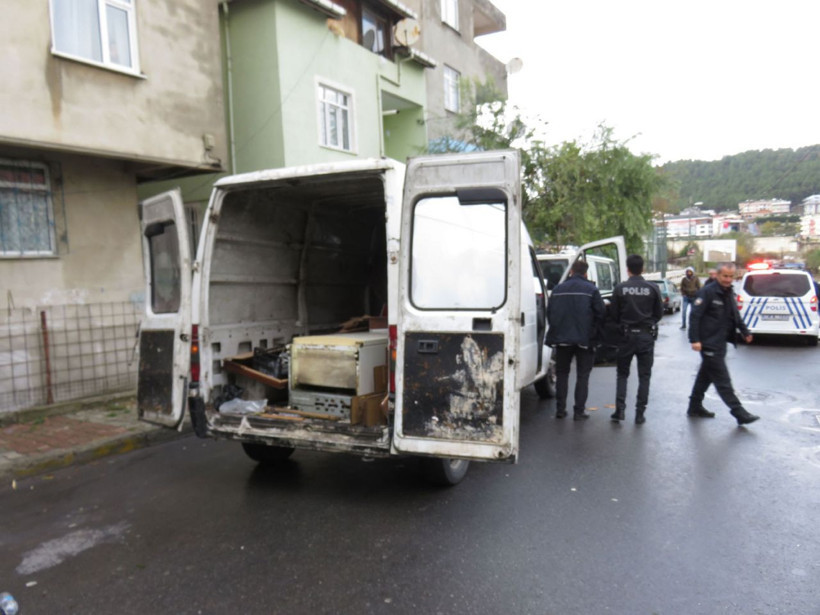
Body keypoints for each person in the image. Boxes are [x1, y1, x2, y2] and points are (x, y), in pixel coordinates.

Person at [687, 262, 759, 425]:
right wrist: (695, 340)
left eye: (731, 276)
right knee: (722, 380)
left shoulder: (728, 293)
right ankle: (738, 412)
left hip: (720, 342)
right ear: (718, 275)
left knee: (705, 376)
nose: (728, 279)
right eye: (725, 276)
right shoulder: (707, 292)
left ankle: (694, 406)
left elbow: (735, 314)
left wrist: (745, 331)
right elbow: (695, 316)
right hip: (708, 342)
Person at [545, 259, 605, 420]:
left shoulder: (557, 289)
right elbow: (601, 313)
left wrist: (558, 331)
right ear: (586, 273)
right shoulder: (592, 290)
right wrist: (594, 334)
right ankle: (579, 411)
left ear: (571, 272)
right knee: (582, 375)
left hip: (562, 339)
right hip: (585, 340)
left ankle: (560, 410)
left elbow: (550, 313)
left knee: (562, 374)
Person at [610, 254, 664, 424]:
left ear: (628, 269)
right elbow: (659, 313)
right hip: (646, 336)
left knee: (622, 374)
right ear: (643, 269)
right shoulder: (653, 288)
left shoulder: (620, 288)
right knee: (644, 376)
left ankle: (620, 411)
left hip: (626, 336)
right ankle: (640, 414)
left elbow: (613, 314)